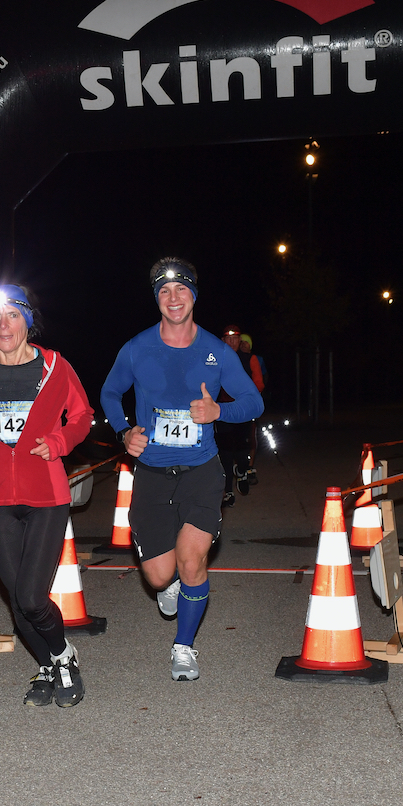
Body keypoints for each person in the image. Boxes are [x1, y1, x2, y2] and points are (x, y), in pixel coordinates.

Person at [100, 258, 263, 681]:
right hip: (152, 473)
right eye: (164, 292)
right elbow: (110, 392)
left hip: (201, 472)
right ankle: (169, 585)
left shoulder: (216, 351)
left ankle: (184, 646)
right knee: (158, 577)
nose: (173, 299)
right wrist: (123, 432)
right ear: (157, 299)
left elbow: (253, 402)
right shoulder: (137, 347)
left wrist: (217, 411)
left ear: (194, 295)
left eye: (181, 290)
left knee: (193, 561)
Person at [0, 284, 94, 708]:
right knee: (18, 601)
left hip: (47, 496)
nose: (3, 325)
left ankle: (65, 658)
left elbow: (82, 416)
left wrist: (61, 441)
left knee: (30, 597)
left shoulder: (55, 366)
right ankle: (50, 665)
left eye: (12, 315)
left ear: (28, 320)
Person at [214, 325, 254, 506]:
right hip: (223, 411)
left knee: (243, 448)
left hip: (243, 411)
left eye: (236, 338)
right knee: (226, 453)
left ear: (240, 341)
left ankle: (243, 471)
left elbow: (257, 383)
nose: (232, 342)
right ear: (223, 340)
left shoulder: (248, 359)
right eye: (228, 338)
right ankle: (228, 492)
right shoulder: (216, 360)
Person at [238, 332, 266, 487]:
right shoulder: (233, 358)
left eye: (246, 342)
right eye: (240, 341)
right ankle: (239, 466)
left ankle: (249, 466)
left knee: (251, 435)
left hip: (250, 403)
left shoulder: (255, 359)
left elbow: (260, 381)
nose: (243, 344)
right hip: (234, 404)